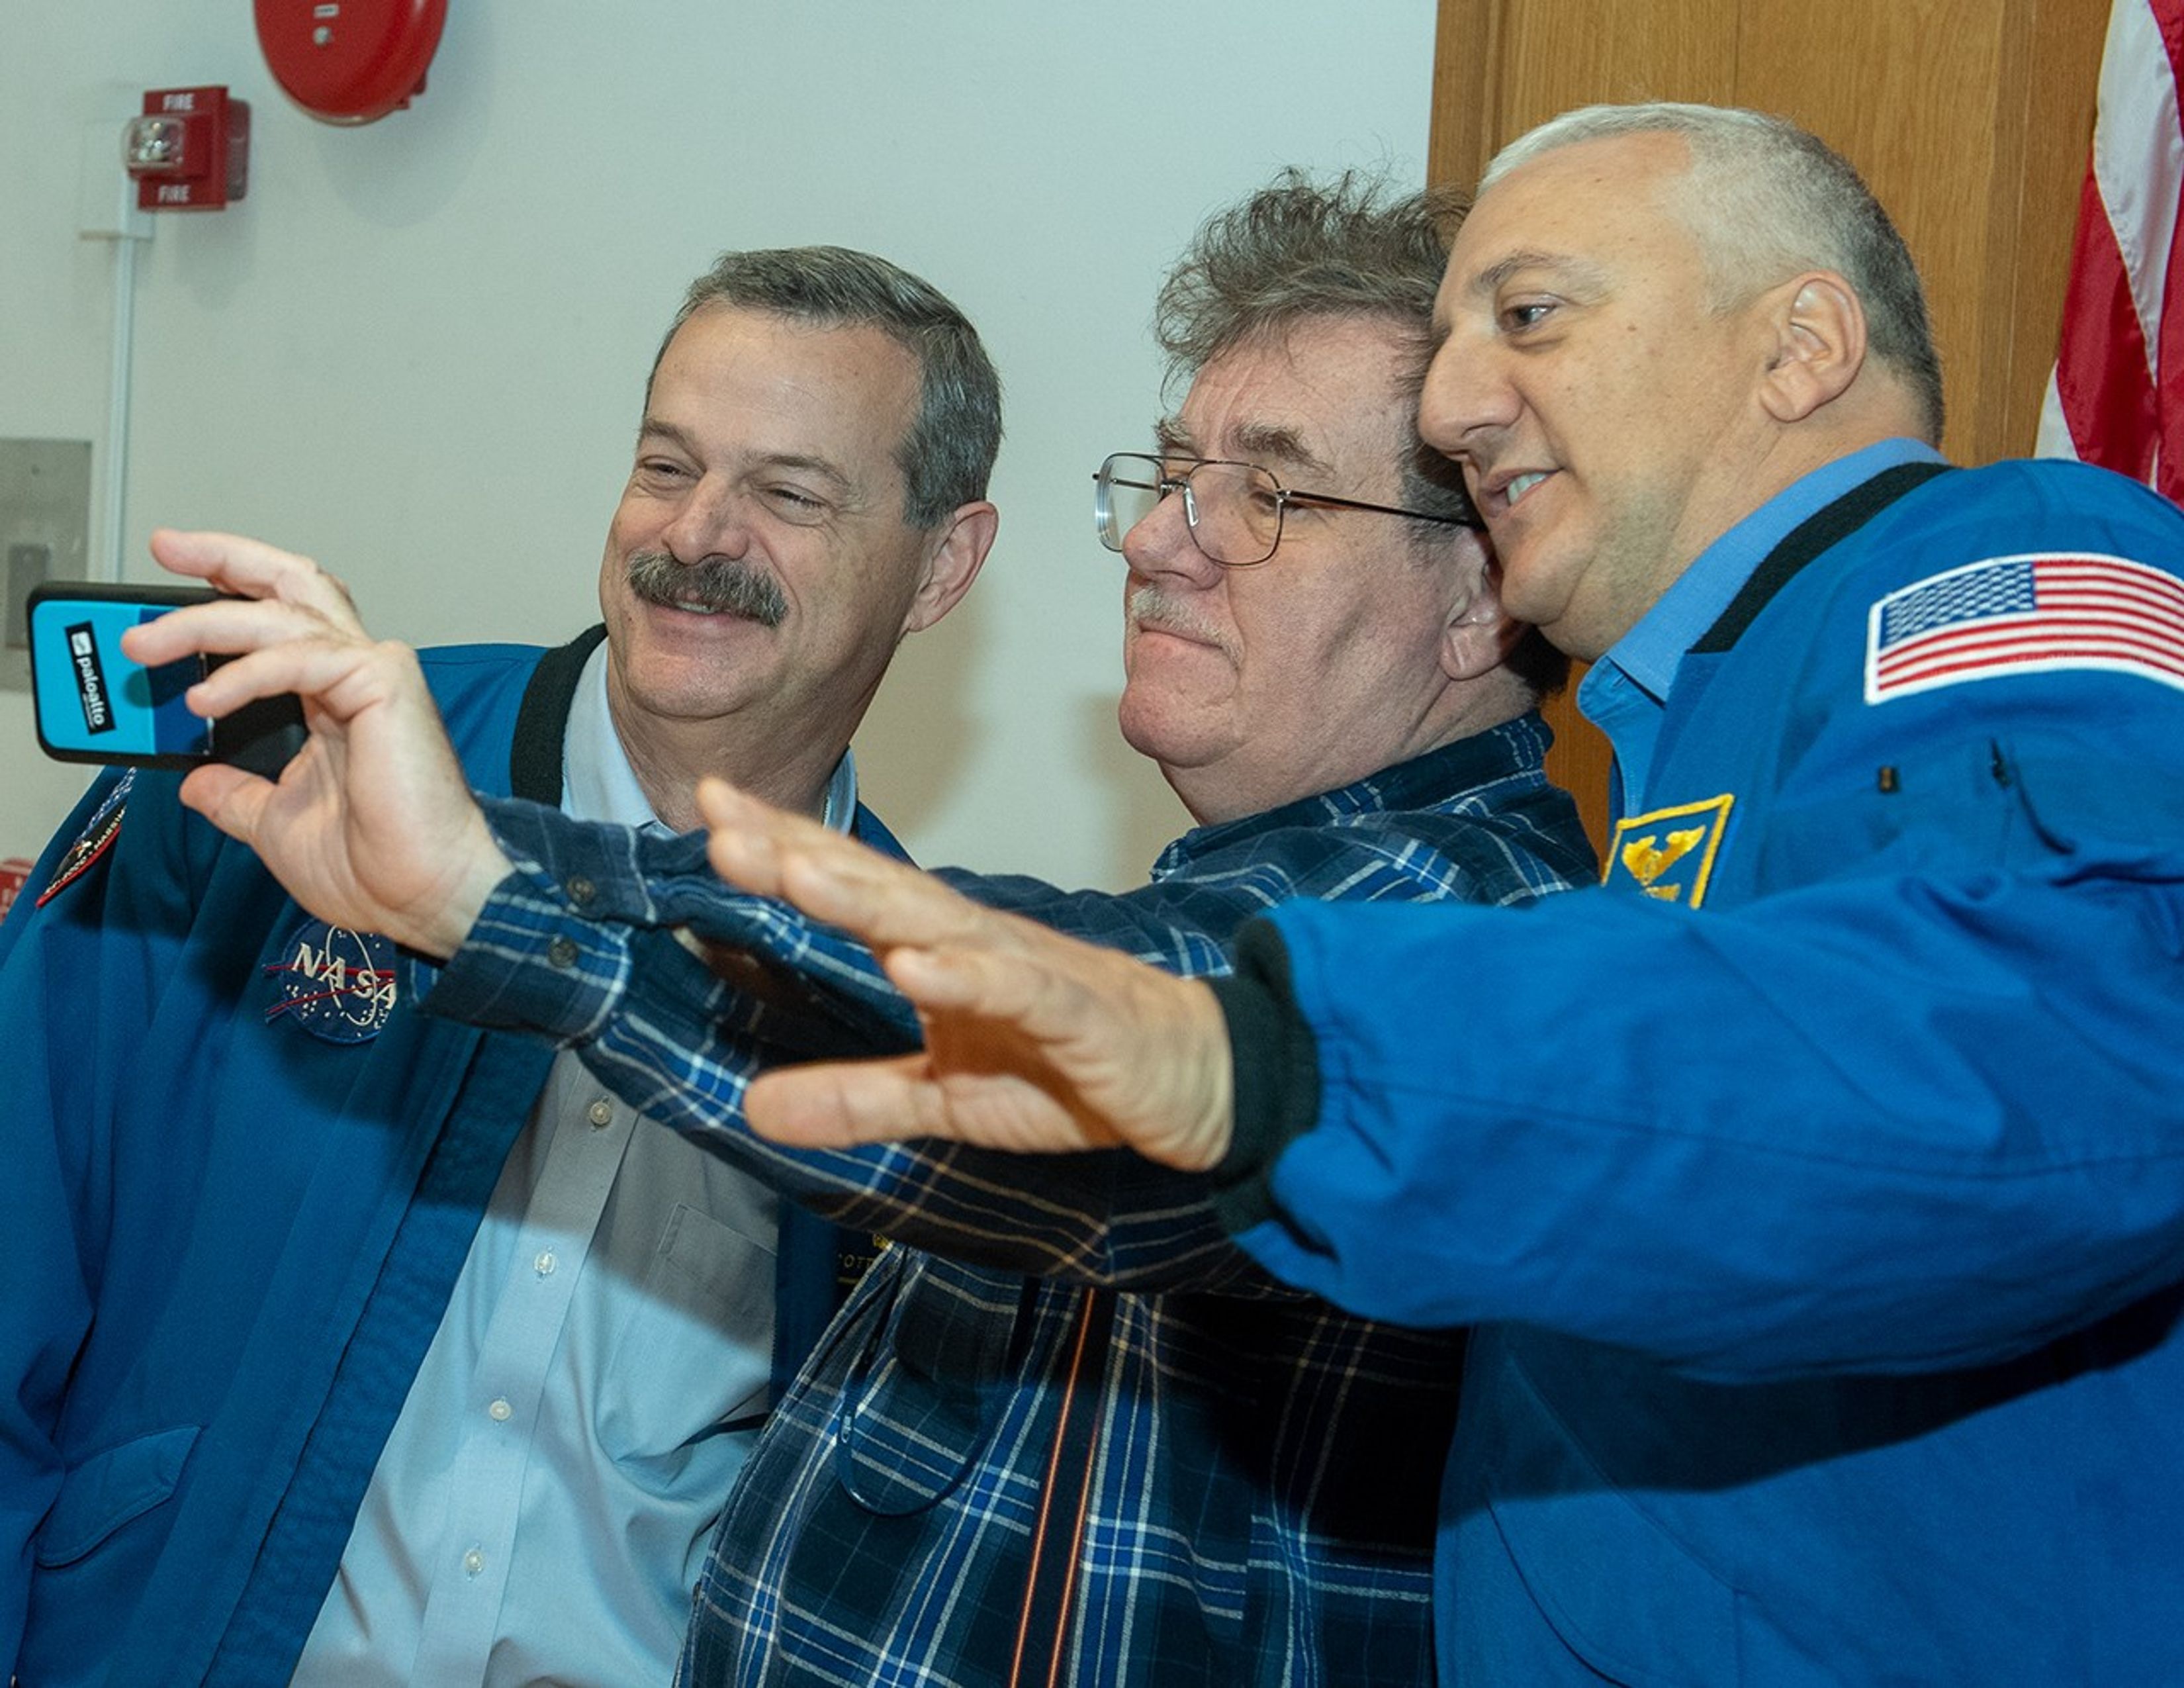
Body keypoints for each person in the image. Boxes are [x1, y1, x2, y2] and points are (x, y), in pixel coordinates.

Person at [655, 105, 2184, 1685]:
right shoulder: (1684, 745)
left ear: (1800, 346)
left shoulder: (1994, 560)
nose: (1464, 399)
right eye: (1173, 472)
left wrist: (1251, 1062)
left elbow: (2048, 1061)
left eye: (1530, 315)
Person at [122, 176, 1594, 1684]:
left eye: (1267, 494)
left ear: (1481, 596)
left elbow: (1068, 1050)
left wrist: (480, 898)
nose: (1158, 542)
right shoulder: (1236, 894)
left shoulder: (1463, 939)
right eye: (1170, 474)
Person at [0, 246, 999, 1686]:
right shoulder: (284, 777)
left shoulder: (918, 999)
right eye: (668, 465)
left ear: (943, 562)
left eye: (788, 494)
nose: (698, 535)